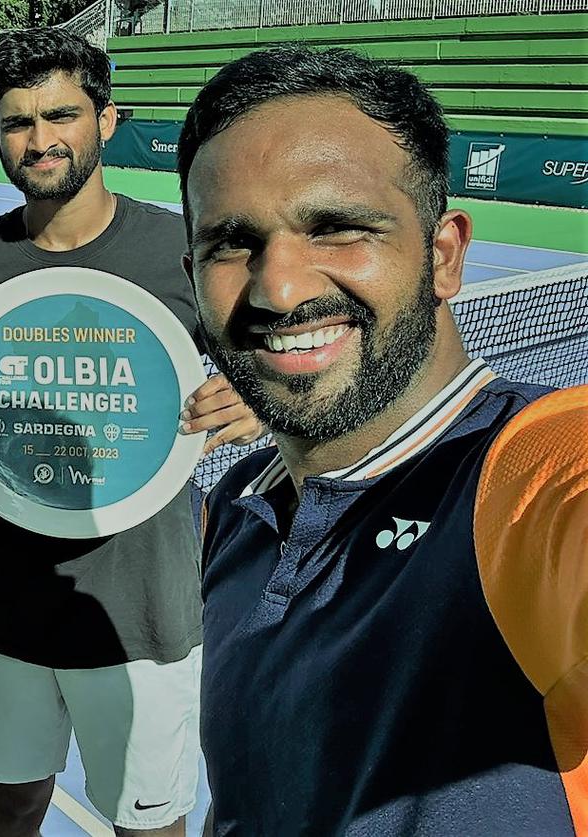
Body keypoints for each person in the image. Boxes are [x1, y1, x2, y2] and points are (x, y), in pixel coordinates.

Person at [177, 46, 587, 834]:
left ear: (443, 255)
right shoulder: (237, 509)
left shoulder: (524, 474)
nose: (279, 288)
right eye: (231, 242)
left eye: (336, 228)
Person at [0, 29, 263, 837]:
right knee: (11, 808)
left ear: (106, 119)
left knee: (152, 827)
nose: (40, 140)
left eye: (61, 115)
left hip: (143, 610)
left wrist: (248, 403)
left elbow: (267, 370)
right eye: (17, 122)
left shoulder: (182, 249)